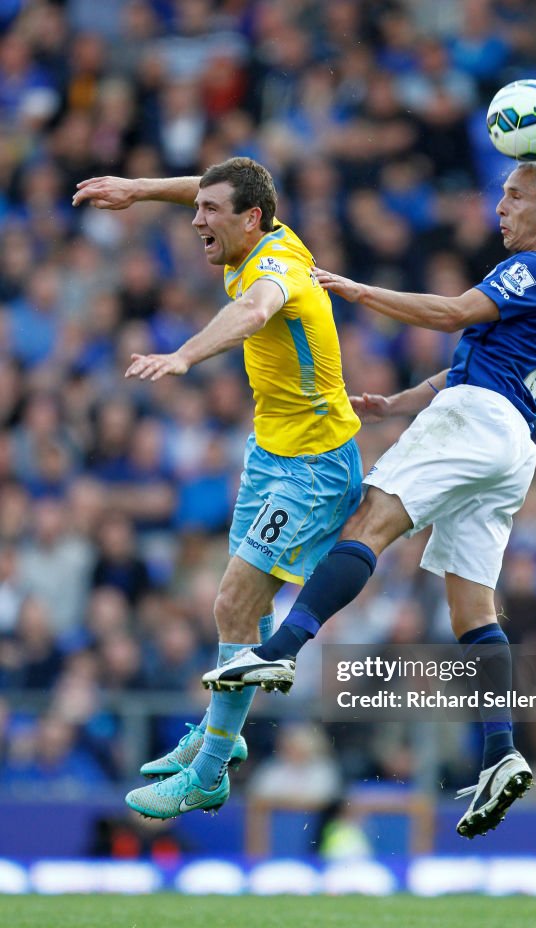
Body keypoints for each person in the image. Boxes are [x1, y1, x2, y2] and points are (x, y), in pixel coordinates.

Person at [202, 160, 536, 839]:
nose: (500, 206)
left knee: (370, 520)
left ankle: (284, 646)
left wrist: (357, 290)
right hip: (511, 444)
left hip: (476, 421)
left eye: (515, 196)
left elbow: (453, 314)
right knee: (473, 607)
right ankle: (501, 752)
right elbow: (478, 354)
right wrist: (397, 404)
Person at [72, 157, 363, 819]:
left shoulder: (275, 269)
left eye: (210, 212)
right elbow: (201, 192)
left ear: (251, 218)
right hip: (270, 451)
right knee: (240, 608)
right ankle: (219, 738)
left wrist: (184, 355)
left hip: (314, 467)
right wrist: (138, 189)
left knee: (234, 599)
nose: (197, 219)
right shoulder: (253, 230)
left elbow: (256, 311)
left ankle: (208, 770)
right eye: (198, 208)